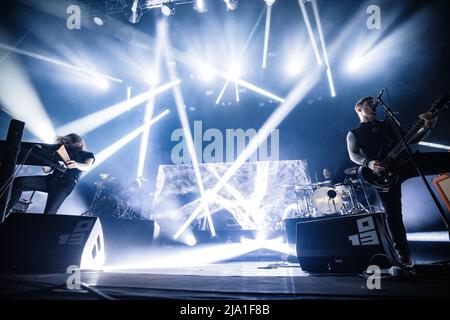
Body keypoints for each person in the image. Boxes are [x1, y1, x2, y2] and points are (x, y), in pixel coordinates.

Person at [346, 96, 450, 267]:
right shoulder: (354, 133)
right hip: (381, 173)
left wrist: (428, 126)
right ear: (359, 109)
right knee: (392, 213)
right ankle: (403, 256)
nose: (373, 105)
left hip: (406, 162)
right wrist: (369, 163)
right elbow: (353, 154)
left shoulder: (389, 124)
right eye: (368, 104)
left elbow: (413, 139)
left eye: (372, 103)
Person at [7, 133, 95, 215]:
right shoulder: (64, 152)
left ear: (78, 143)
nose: (68, 145)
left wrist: (76, 164)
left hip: (66, 183)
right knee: (19, 182)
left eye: (70, 143)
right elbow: (48, 170)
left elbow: (87, 166)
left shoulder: (87, 154)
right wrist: (47, 165)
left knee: (49, 212)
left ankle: (42, 230)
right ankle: (5, 211)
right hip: (51, 179)